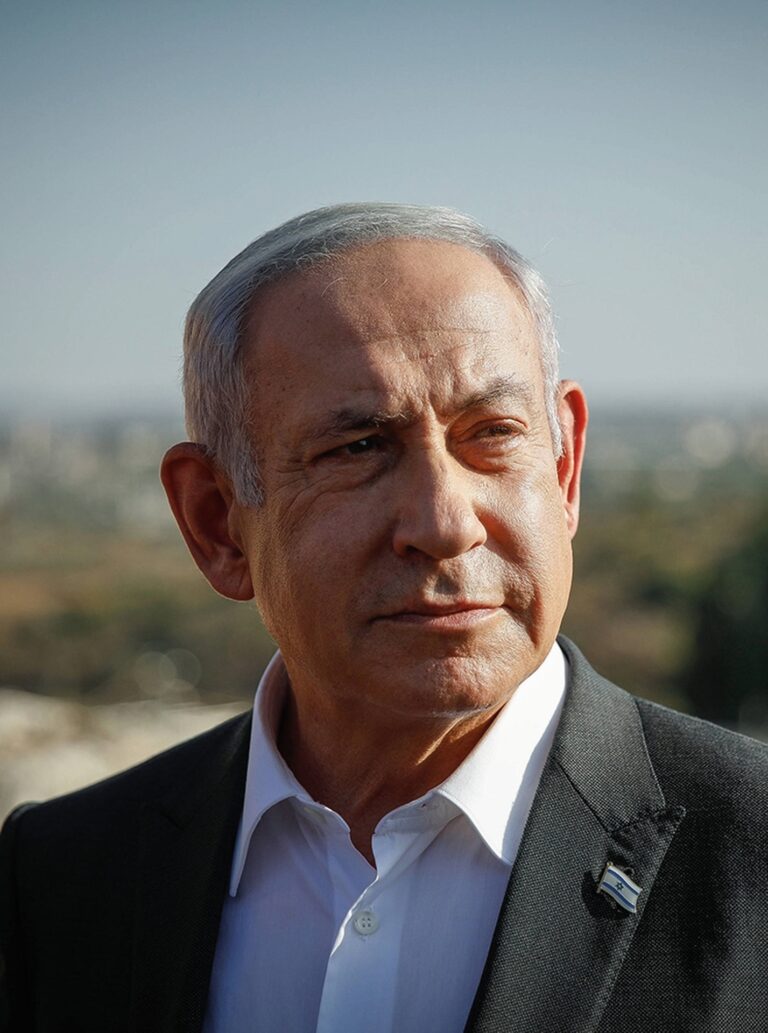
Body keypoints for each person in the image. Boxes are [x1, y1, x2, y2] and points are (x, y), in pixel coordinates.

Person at [1, 203, 767, 1033]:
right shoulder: (59, 881)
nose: (446, 523)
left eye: (493, 433)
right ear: (217, 522)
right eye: (360, 447)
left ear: (565, 466)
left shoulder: (751, 857)